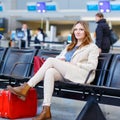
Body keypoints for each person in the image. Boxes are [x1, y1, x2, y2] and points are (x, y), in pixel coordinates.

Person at [7, 21, 99, 120]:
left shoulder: (92, 47)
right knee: (49, 72)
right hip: (67, 73)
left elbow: (92, 66)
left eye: (81, 29)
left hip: (81, 75)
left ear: (86, 32)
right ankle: (46, 109)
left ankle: (26, 87)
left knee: (51, 61)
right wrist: (60, 60)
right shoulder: (70, 46)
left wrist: (73, 64)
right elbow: (59, 57)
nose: (78, 32)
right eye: (76, 29)